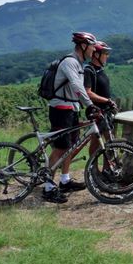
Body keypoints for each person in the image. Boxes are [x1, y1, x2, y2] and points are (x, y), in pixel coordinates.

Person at [45, 31, 100, 203]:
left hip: (71, 108)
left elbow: (78, 88)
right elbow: (77, 85)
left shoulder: (78, 63)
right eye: (92, 47)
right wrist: (89, 105)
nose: (94, 50)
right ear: (83, 46)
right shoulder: (70, 62)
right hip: (61, 109)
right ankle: (48, 188)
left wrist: (84, 105)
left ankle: (65, 180)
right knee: (60, 148)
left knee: (70, 146)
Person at [84, 40, 117, 155]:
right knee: (103, 141)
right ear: (96, 55)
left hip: (105, 111)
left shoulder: (100, 70)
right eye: (105, 54)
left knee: (104, 141)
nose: (107, 57)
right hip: (98, 111)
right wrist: (107, 100)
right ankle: (96, 169)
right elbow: (88, 92)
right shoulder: (89, 70)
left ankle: (104, 169)